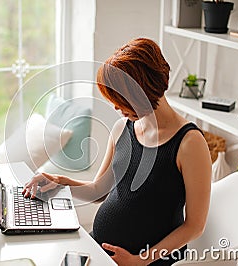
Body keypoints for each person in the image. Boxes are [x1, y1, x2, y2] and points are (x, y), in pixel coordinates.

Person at [23, 38, 211, 266]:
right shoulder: (122, 128)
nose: (115, 107)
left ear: (145, 91)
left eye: (121, 100)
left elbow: (194, 226)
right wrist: (58, 182)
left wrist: (140, 261)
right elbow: (98, 190)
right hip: (99, 248)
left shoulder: (189, 144)